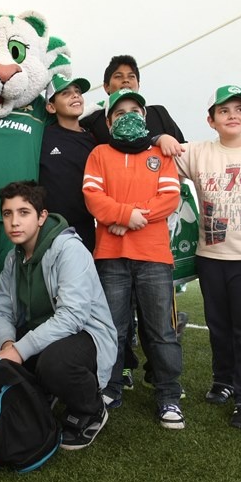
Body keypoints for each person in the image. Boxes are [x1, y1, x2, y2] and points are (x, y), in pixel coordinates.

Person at [0, 180, 117, 450]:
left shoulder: (69, 250)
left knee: (54, 364)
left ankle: (92, 409)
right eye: (7, 214)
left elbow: (72, 317)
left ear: (42, 216)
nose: (14, 222)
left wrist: (20, 351)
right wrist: (8, 344)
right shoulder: (13, 257)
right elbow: (0, 311)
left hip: (84, 335)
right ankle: (41, 393)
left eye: (23, 213)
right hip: (37, 334)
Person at [82, 55, 186, 389]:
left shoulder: (161, 155)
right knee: (113, 327)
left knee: (161, 330)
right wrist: (129, 215)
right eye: (120, 113)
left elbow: (170, 197)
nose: (128, 118)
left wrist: (127, 219)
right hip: (111, 256)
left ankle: (168, 393)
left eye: (135, 112)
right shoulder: (98, 155)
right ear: (109, 122)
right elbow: (93, 197)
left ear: (146, 117)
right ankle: (109, 390)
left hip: (154, 256)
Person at [174, 85, 241, 428]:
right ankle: (224, 381)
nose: (233, 115)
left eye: (240, 109)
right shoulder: (200, 152)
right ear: (211, 119)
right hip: (211, 256)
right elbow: (167, 152)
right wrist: (162, 139)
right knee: (218, 327)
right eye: (224, 110)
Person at [39, 74, 97, 252]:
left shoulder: (94, 137)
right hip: (51, 228)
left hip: (87, 227)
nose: (75, 95)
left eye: (78, 92)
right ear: (51, 106)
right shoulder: (42, 137)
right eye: (66, 93)